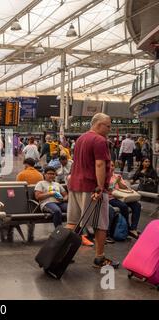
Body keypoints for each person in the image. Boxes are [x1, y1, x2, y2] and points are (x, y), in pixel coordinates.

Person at [67, 113, 120, 268]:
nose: (110, 129)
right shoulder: (99, 140)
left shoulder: (81, 139)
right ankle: (99, 258)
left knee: (72, 222)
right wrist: (100, 186)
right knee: (100, 224)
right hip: (92, 188)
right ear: (98, 124)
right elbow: (99, 165)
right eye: (108, 126)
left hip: (75, 185)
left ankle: (62, 252)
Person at [108, 161, 141, 239]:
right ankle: (127, 227)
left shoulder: (117, 176)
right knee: (123, 206)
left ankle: (133, 228)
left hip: (122, 197)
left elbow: (125, 188)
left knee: (137, 205)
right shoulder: (104, 177)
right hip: (111, 198)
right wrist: (115, 182)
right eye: (109, 166)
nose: (111, 167)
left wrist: (119, 182)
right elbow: (108, 190)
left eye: (112, 166)